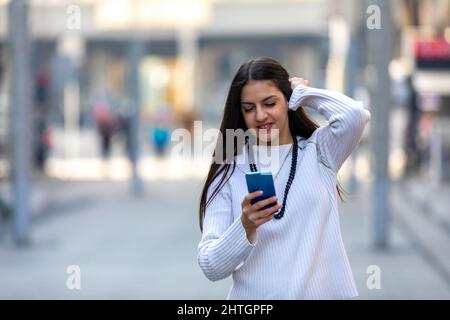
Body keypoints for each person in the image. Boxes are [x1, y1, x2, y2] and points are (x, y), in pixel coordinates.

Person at [197, 57, 371, 299]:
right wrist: (245, 226)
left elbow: (355, 115)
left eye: (270, 103)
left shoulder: (320, 150)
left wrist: (303, 93)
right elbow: (210, 265)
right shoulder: (228, 169)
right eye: (249, 108)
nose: (260, 116)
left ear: (287, 101)